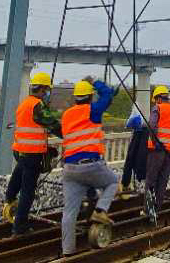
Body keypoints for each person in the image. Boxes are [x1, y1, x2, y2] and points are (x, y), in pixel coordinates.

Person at [60, 77, 119, 257]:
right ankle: (100, 211)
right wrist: (95, 82)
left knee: (69, 212)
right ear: (89, 97)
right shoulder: (92, 110)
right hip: (91, 166)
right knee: (113, 182)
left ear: (76, 97)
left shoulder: (66, 115)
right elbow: (107, 95)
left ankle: (68, 251)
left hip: (69, 169)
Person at [5, 71, 62, 235]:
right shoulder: (38, 106)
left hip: (20, 150)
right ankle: (20, 226)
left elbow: (32, 128)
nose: (47, 93)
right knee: (28, 190)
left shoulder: (24, 103)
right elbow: (52, 124)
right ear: (43, 89)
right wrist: (70, 136)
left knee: (19, 173)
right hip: (33, 153)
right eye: (47, 90)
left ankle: (10, 198)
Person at [145, 85, 170, 210]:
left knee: (151, 179)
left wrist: (156, 142)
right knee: (163, 180)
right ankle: (158, 207)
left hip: (157, 150)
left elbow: (152, 125)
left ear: (158, 99)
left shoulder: (157, 108)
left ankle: (149, 209)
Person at [120, 104, 148, 195]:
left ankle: (126, 183)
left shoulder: (138, 105)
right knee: (141, 158)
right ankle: (140, 180)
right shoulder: (154, 107)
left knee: (131, 158)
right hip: (146, 134)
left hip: (140, 132)